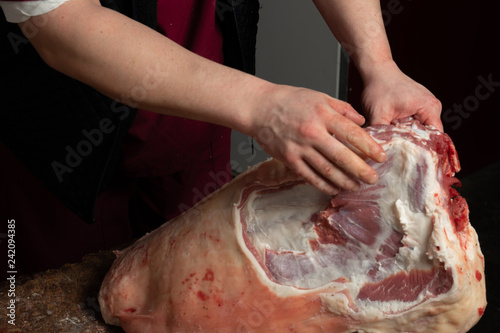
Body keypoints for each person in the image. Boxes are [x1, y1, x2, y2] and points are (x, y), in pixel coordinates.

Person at [0, 0, 442, 275]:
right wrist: (262, 105)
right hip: (57, 140)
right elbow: (61, 20)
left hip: (200, 103)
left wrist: (380, 64)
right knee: (48, 299)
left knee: (193, 283)